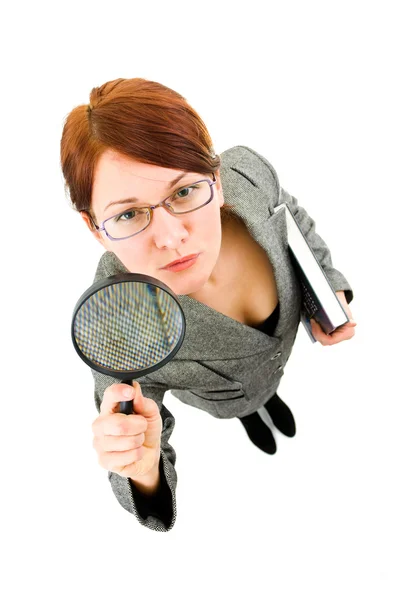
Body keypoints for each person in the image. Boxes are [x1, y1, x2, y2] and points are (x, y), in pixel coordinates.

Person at [60, 77, 357, 533]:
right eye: (127, 214)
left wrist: (327, 288)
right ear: (95, 228)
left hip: (279, 365)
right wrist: (143, 472)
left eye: (183, 192)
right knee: (247, 410)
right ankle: (251, 417)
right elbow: (131, 437)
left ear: (217, 180)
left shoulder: (248, 173)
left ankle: (269, 403)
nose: (171, 237)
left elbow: (290, 214)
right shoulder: (115, 318)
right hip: (224, 400)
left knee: (269, 394)